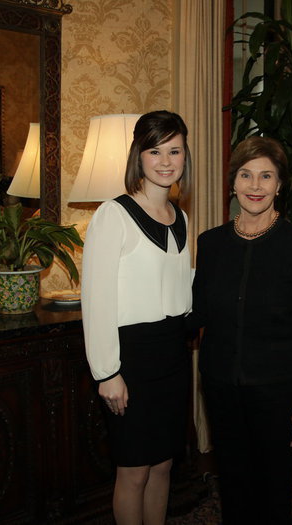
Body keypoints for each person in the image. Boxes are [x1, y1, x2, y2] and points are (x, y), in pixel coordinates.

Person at [190, 136, 292, 525]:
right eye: (246, 175)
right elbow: (196, 314)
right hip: (219, 386)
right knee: (231, 483)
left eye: (266, 176)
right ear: (233, 183)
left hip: (278, 390)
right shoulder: (210, 244)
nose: (255, 186)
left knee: (273, 486)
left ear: (280, 185)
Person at [80, 110, 193, 525]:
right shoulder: (114, 214)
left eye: (175, 150)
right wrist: (107, 372)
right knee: (133, 470)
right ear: (139, 157)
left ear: (185, 156)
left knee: (163, 464)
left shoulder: (180, 217)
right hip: (131, 361)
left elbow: (181, 289)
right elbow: (96, 299)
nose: (166, 160)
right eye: (155, 150)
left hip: (173, 357)